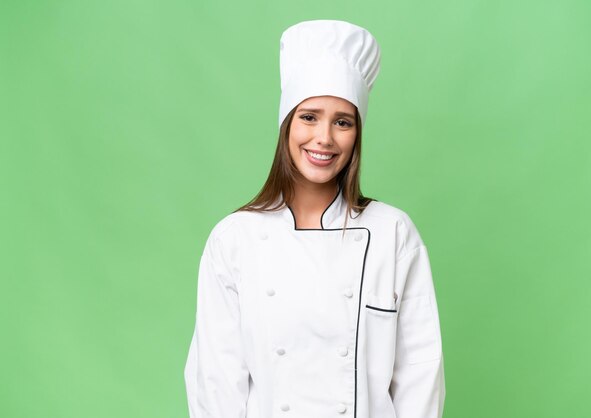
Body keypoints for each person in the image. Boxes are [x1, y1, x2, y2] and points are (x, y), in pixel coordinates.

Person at [184, 19, 445, 418]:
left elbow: (420, 375)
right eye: (309, 117)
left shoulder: (392, 233)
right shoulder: (235, 238)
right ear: (286, 123)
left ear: (357, 134)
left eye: (343, 121)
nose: (324, 137)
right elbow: (216, 381)